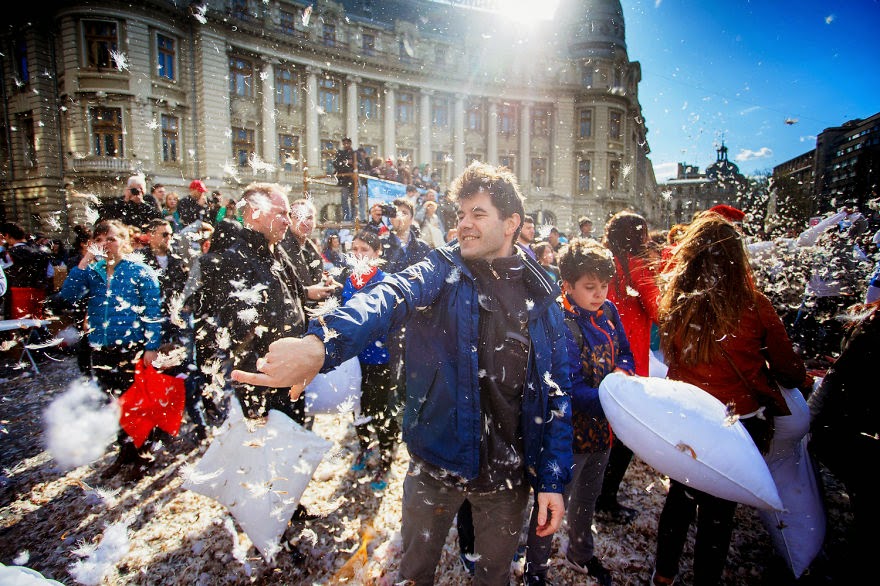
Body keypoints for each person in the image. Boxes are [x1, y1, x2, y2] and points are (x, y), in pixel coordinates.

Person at [231, 162, 573, 585]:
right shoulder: (440, 269)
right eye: (460, 214)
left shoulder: (541, 295)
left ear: (511, 224)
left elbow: (557, 391)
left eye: (478, 214)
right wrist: (323, 343)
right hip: (435, 464)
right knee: (413, 573)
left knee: (494, 577)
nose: (463, 224)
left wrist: (553, 477)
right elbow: (389, 295)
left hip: (506, 477)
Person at [651, 214, 810, 586]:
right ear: (738, 259)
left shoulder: (676, 301)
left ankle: (663, 575)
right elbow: (788, 370)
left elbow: (673, 357)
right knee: (719, 510)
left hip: (689, 417)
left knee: (680, 496)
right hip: (737, 423)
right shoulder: (755, 305)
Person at [524, 238, 634, 586]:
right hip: (565, 436)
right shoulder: (560, 322)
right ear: (567, 285)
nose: (599, 294)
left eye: (604, 286)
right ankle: (535, 568)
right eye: (589, 287)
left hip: (602, 432)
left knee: (587, 498)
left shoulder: (610, 313)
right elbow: (567, 388)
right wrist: (615, 399)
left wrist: (623, 373)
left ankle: (580, 553)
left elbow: (626, 353)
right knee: (552, 504)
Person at [54, 220, 162, 481]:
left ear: (124, 241)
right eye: (100, 239)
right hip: (101, 347)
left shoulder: (140, 270)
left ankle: (143, 456)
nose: (106, 244)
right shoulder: (92, 272)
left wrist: (152, 345)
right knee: (113, 404)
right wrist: (83, 263)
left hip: (131, 347)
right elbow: (66, 297)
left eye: (111, 239)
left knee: (135, 405)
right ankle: (125, 452)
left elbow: (153, 311)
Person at [198, 182, 308, 425]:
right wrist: (255, 404)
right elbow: (240, 342)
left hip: (292, 375)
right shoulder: (235, 261)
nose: (288, 221)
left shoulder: (275, 250)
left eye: (288, 214)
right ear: (255, 212)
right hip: (268, 386)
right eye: (281, 213)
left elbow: (294, 300)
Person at [808, 300, 879, 582]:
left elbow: (834, 379)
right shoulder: (871, 328)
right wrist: (809, 421)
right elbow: (835, 379)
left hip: (849, 431)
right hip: (849, 431)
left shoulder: (869, 324)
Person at [597, 210, 660, 522]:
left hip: (600, 351)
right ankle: (605, 498)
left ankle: (591, 491)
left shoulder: (602, 260)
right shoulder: (639, 265)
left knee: (602, 425)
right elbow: (660, 310)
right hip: (630, 356)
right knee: (625, 432)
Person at [342, 230, 399, 491]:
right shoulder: (349, 281)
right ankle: (365, 447)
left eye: (364, 249)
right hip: (354, 359)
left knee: (380, 409)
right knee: (357, 407)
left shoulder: (385, 281)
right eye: (355, 248)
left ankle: (386, 458)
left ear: (377, 253)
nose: (358, 254)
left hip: (379, 358)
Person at [281, 198, 341, 311]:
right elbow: (279, 290)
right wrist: (306, 293)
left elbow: (311, 278)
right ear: (290, 220)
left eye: (309, 217)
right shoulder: (281, 247)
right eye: (299, 217)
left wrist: (326, 280)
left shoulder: (309, 246)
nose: (304, 222)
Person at [0, 222, 52, 319]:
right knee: (36, 321)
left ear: (6, 235)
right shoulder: (41, 250)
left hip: (19, 293)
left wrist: (1, 246)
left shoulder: (13, 253)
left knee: (19, 325)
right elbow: (50, 273)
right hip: (40, 292)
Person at [96, 174, 162, 231]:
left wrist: (141, 203)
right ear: (129, 188)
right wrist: (125, 201)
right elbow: (108, 213)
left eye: (140, 189)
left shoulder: (149, 199)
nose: (137, 192)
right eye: (134, 189)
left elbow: (157, 216)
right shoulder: (121, 201)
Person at [333, 137, 356, 221]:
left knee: (354, 200)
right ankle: (346, 217)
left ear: (350, 144)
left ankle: (354, 217)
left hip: (353, 180)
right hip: (344, 180)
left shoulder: (354, 153)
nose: (346, 145)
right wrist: (345, 163)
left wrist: (352, 163)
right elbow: (336, 164)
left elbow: (359, 164)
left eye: (347, 143)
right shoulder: (340, 153)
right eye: (344, 143)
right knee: (344, 200)